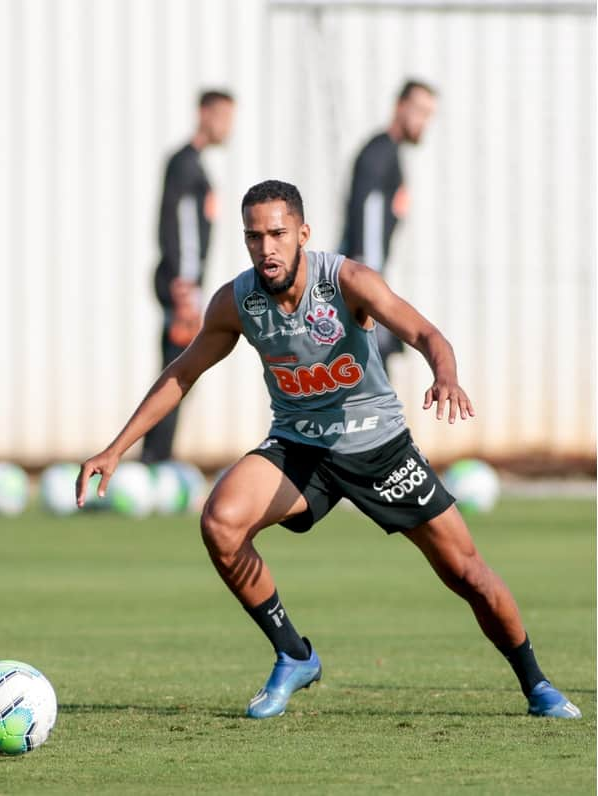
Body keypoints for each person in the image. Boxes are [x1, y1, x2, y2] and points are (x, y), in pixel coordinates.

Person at [77, 179, 580, 721]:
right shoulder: (237, 301)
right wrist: (115, 449)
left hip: (379, 449)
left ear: (303, 234)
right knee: (221, 522)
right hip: (299, 448)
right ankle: (294, 654)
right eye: (253, 237)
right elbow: (183, 374)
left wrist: (446, 376)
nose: (266, 248)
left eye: (277, 234)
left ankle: (537, 683)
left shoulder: (347, 281)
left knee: (467, 575)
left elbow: (428, 334)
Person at [142, 89, 236, 465]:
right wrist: (187, 290)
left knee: (179, 372)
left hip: (187, 286)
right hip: (183, 288)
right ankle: (154, 461)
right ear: (205, 114)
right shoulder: (185, 164)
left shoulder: (194, 165)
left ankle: (158, 456)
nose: (228, 127)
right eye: (224, 117)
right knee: (176, 374)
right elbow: (182, 229)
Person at [339, 79, 437, 373]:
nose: (423, 121)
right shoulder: (379, 153)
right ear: (400, 107)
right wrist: (370, 281)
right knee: (374, 369)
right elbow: (366, 216)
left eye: (429, 114)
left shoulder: (389, 154)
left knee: (369, 371)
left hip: (366, 276)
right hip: (363, 278)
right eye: (419, 110)